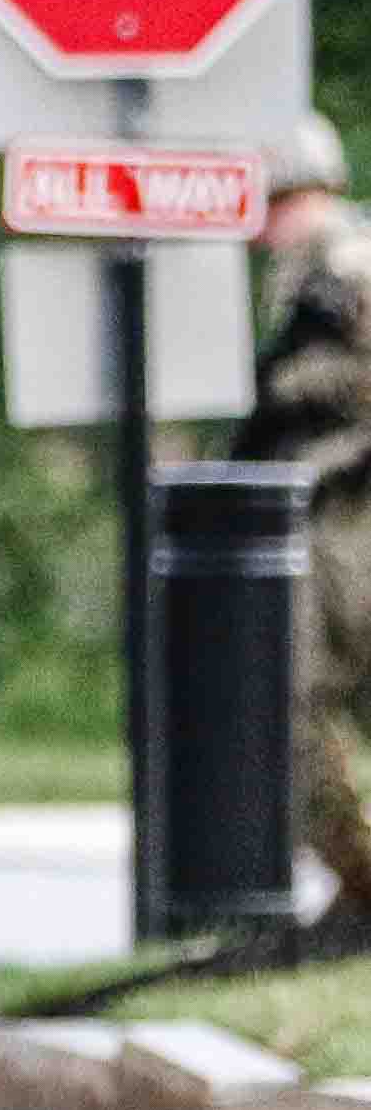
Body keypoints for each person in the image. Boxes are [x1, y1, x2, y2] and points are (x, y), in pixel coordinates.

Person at [236, 112, 371, 927]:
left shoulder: (347, 262)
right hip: (318, 511)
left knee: (304, 694)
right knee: (299, 697)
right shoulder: (295, 276)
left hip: (352, 507)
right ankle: (358, 874)